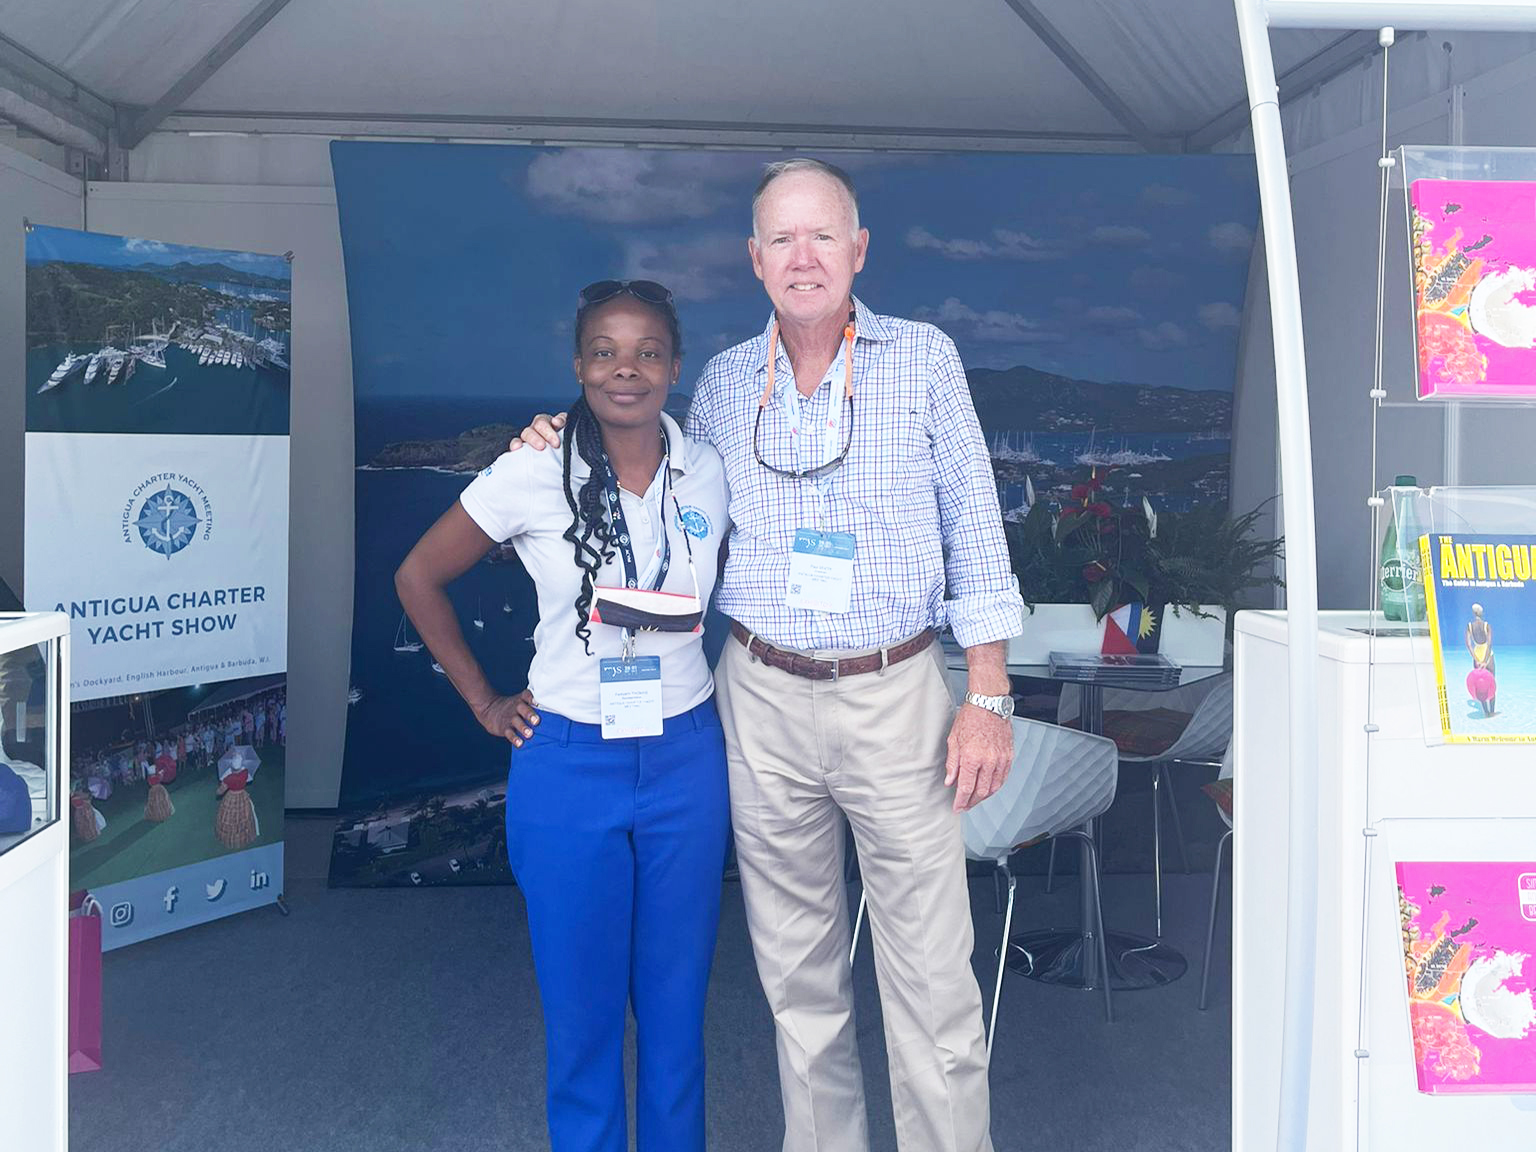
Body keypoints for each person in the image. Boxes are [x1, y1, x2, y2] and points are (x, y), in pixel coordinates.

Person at [512, 158, 1022, 1152]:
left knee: (932, 982)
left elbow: (974, 518)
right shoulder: (724, 384)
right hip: (760, 696)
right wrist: (554, 434)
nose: (803, 256)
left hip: (894, 692)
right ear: (754, 260)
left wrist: (988, 693)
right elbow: (646, 466)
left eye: (822, 235)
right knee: (798, 982)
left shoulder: (925, 359)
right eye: (783, 239)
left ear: (858, 250)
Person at [395, 280, 730, 1152]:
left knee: (676, 1017)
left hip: (687, 758)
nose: (627, 369)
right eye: (605, 351)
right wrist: (484, 700)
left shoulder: (711, 465)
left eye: (648, 352)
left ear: (675, 367)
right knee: (582, 1022)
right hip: (569, 761)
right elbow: (417, 576)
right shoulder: (533, 469)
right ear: (578, 366)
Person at [1465, 602, 1496, 715]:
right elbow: (1489, 644)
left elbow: (1469, 645)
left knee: (1480, 687)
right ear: (1481, 613)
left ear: (1474, 613)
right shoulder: (1486, 625)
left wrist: (1477, 660)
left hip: (1477, 654)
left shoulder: (1469, 626)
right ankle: (1492, 712)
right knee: (1491, 684)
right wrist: (1485, 661)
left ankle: (1486, 712)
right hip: (1488, 655)